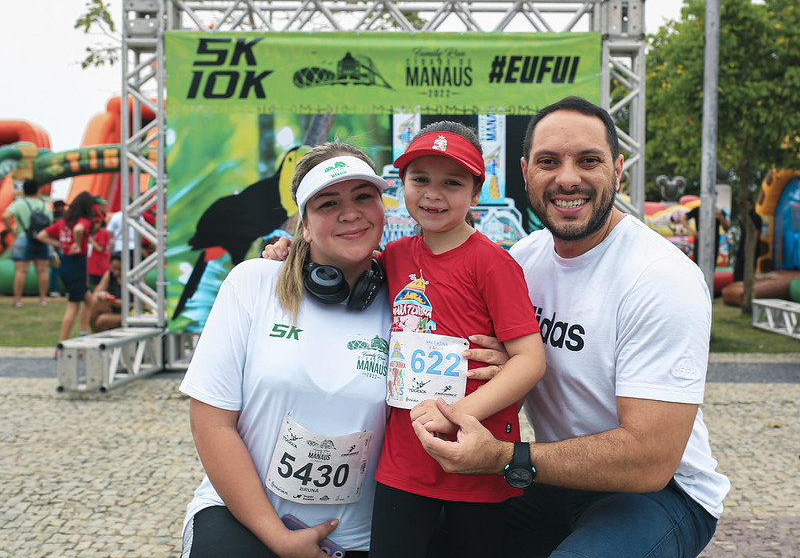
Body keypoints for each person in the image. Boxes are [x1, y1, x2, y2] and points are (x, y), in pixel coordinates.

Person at [413, 96, 730, 558]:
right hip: (558, 476)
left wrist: (505, 458)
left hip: (659, 494)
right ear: (525, 172)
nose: (567, 178)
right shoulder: (522, 260)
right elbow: (417, 291)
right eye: (548, 162)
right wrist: (295, 261)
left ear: (618, 170)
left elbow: (650, 459)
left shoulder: (660, 277)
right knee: (419, 536)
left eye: (588, 161)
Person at [179, 142, 392, 558]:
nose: (351, 213)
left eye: (364, 196)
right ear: (305, 226)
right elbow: (212, 424)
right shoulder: (253, 283)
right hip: (241, 522)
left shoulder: (409, 300)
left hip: (363, 538)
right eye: (329, 203)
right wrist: (278, 538)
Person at [368, 122, 545, 558]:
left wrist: (457, 413)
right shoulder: (394, 257)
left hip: (476, 456)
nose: (433, 194)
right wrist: (286, 250)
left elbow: (530, 360)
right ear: (401, 185)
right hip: (403, 460)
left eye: (452, 182)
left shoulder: (493, 263)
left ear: (476, 192)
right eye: (420, 179)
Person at [37, 191, 96, 342]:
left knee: (90, 301)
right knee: (73, 306)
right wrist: (77, 244)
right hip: (77, 264)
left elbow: (41, 235)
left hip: (66, 264)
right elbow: (78, 230)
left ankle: (84, 335)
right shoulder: (83, 221)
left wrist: (60, 244)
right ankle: (62, 344)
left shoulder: (62, 223)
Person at [1, 178, 52, 307]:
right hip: (41, 239)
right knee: (42, 270)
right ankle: (43, 299)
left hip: (23, 237)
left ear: (24, 190)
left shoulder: (19, 203)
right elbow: (50, 223)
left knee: (20, 270)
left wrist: (11, 231)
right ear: (38, 190)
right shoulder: (44, 205)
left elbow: (6, 216)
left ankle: (18, 300)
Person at [681, 202, 730, 266]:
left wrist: (720, 215)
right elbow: (683, 218)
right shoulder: (698, 210)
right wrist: (692, 232)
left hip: (713, 245)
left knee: (711, 266)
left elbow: (726, 228)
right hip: (700, 243)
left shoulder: (719, 212)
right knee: (698, 266)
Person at [89, 252, 124, 333]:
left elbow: (143, 304)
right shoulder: (109, 275)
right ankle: (94, 336)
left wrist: (122, 304)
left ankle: (97, 337)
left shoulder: (135, 278)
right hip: (113, 309)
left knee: (102, 320)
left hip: (128, 313)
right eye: (114, 269)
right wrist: (103, 294)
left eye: (120, 269)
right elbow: (95, 294)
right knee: (93, 303)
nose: (116, 273)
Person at [733, 197, 762, 282]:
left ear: (752, 205)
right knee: (738, 269)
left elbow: (756, 233)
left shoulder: (756, 218)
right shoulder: (744, 218)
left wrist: (752, 248)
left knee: (749, 270)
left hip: (751, 248)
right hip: (742, 247)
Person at [87, 215, 111, 290]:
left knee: (98, 287)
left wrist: (91, 240)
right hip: (96, 264)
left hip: (98, 266)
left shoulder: (102, 232)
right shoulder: (98, 232)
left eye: (96, 223)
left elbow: (100, 248)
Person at [48, 200, 66, 297]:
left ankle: (54, 290)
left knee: (54, 268)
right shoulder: (62, 217)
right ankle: (67, 290)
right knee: (65, 267)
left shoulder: (51, 216)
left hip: (53, 244)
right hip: (61, 244)